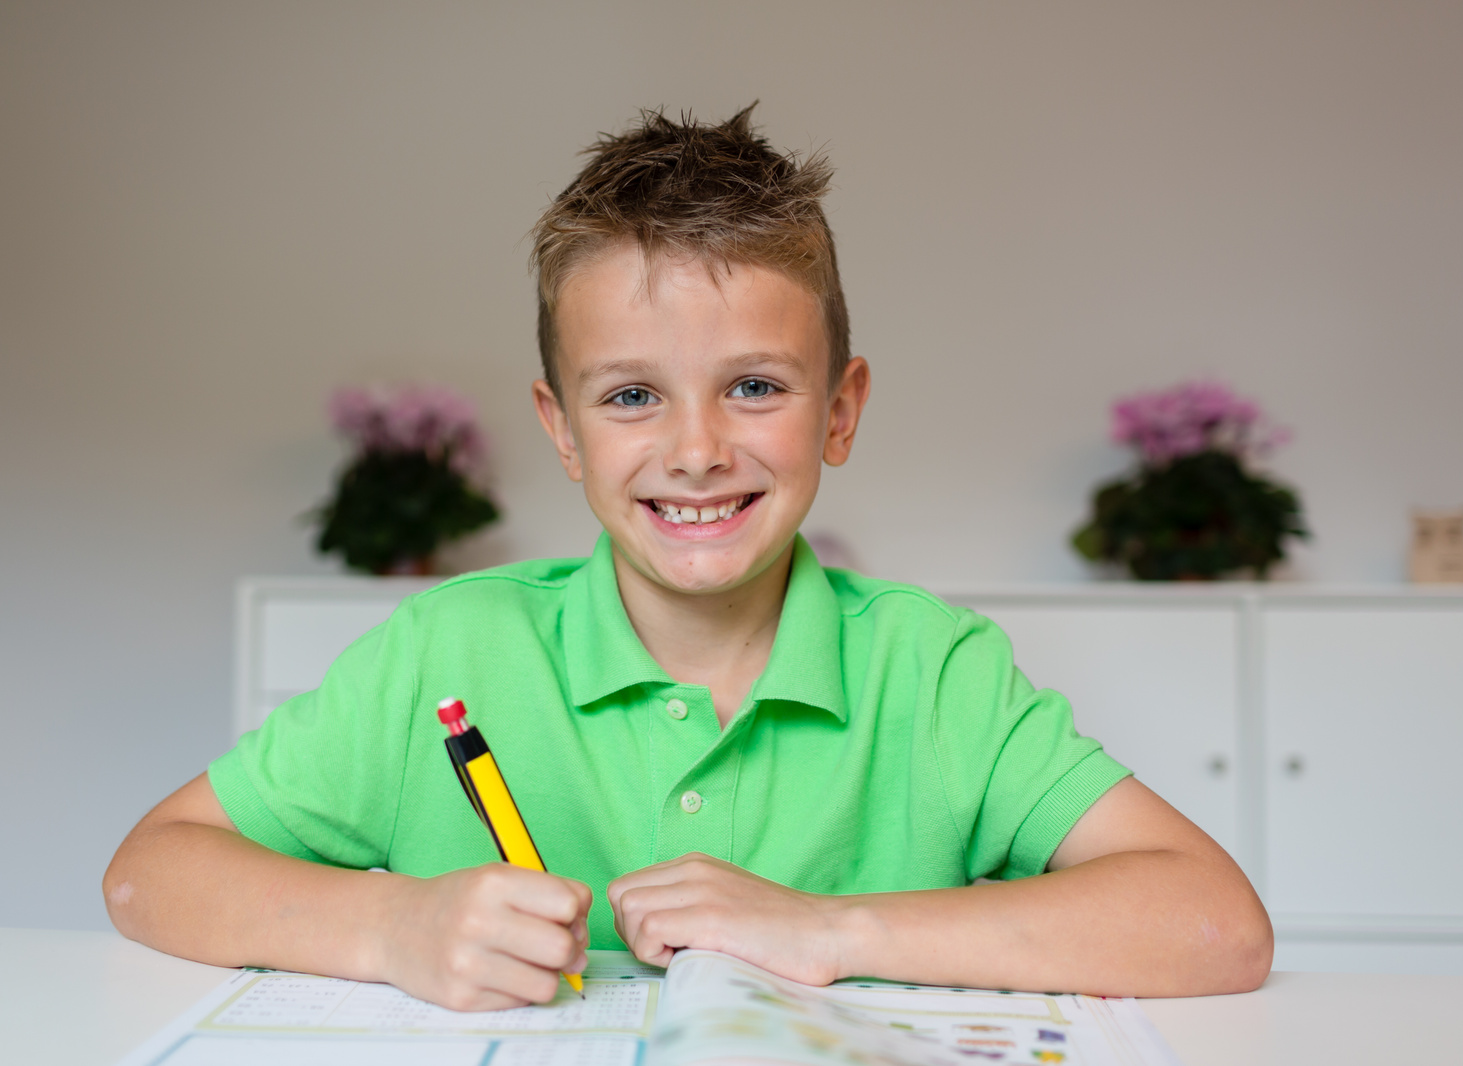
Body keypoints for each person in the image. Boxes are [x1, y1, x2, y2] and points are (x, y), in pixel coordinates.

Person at [104, 105, 1272, 1010]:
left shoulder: (931, 667)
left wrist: (828, 929)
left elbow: (1215, 925)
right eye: (630, 396)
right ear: (560, 428)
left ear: (839, 410)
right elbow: (152, 871)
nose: (697, 449)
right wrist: (390, 928)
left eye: (755, 386)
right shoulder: (449, 651)